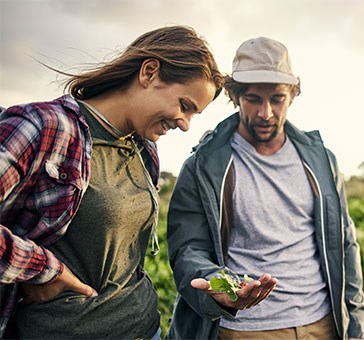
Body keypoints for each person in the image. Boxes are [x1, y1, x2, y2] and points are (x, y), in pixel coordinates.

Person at [0, 25, 224, 339]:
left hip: (145, 330)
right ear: (149, 72)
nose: (185, 124)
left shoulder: (144, 148)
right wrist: (42, 269)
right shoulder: (43, 127)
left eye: (193, 115)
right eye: (184, 106)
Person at [165, 37, 364, 339]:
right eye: (253, 99)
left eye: (277, 99)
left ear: (293, 95)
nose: (265, 113)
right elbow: (188, 249)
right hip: (246, 330)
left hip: (324, 324)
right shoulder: (203, 166)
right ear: (235, 96)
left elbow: (345, 244)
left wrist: (356, 325)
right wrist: (216, 284)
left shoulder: (321, 160)